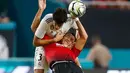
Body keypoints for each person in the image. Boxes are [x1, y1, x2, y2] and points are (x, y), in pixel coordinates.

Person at [31, 0, 81, 73]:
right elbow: (35, 40)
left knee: (75, 60)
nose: (57, 27)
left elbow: (79, 32)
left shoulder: (70, 20)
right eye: (56, 24)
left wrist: (73, 43)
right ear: (53, 19)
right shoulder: (47, 20)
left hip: (59, 46)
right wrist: (54, 40)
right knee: (39, 71)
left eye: (60, 25)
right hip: (44, 45)